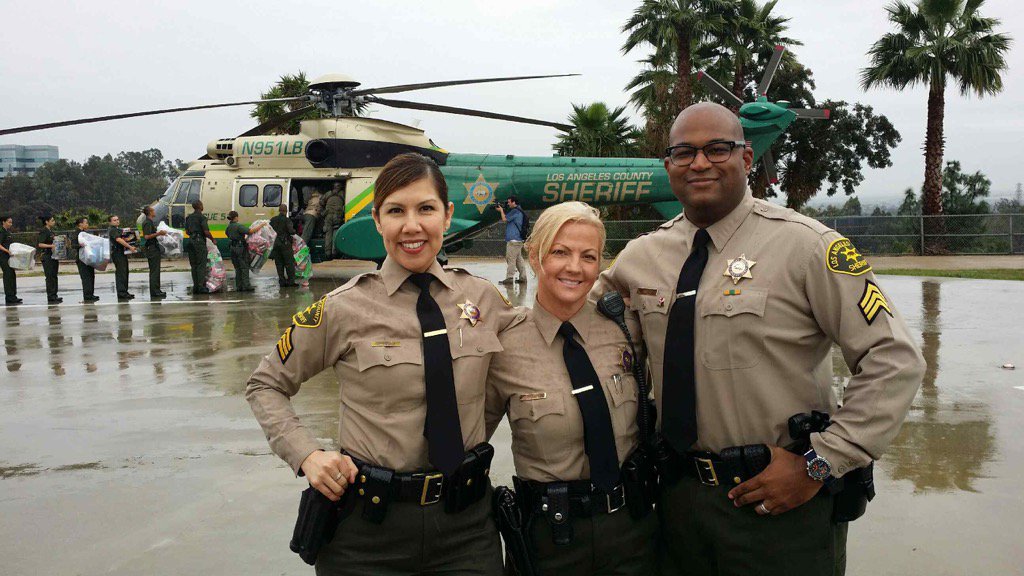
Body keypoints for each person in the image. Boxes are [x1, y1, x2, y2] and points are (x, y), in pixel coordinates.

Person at [594, 102, 925, 576]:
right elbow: (582, 321)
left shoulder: (809, 246)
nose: (700, 162)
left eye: (718, 149)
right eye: (684, 152)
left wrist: (820, 463)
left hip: (780, 504)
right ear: (668, 165)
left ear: (747, 159)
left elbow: (895, 359)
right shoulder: (641, 257)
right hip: (678, 505)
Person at [245, 153, 524, 575]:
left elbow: (539, 348)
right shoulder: (343, 308)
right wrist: (307, 455)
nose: (411, 226)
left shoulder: (484, 299)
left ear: (447, 216)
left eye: (425, 209)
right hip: (367, 536)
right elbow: (265, 384)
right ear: (377, 221)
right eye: (396, 211)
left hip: (466, 529)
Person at [487, 202, 656, 576]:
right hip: (550, 542)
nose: (574, 267)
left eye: (588, 256)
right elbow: (466, 440)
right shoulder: (503, 345)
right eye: (560, 252)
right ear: (534, 256)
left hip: (633, 532)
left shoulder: (627, 330)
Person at [225, 211, 266, 292]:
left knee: (237, 268)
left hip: (232, 248)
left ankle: (239, 286)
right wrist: (261, 225)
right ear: (236, 217)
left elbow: (226, 233)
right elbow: (250, 231)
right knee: (244, 267)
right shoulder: (238, 226)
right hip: (240, 248)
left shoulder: (229, 227)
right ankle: (246, 286)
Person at [496, 196, 528, 285]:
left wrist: (501, 211)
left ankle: (509, 278)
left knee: (511, 259)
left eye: (509, 202)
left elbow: (504, 219)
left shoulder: (515, 211)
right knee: (518, 259)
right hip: (518, 240)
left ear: (514, 202)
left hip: (513, 240)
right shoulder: (519, 211)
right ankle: (523, 277)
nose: (508, 204)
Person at [184, 201, 214, 294]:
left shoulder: (188, 217)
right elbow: (206, 231)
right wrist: (213, 239)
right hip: (199, 242)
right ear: (200, 206)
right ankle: (201, 287)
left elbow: (187, 231)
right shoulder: (202, 217)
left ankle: (196, 287)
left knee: (194, 265)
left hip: (190, 241)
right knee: (201, 264)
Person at [140, 206, 168, 299]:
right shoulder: (147, 223)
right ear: (150, 212)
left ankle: (157, 290)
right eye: (153, 210)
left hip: (153, 248)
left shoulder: (150, 222)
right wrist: (158, 233)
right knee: (154, 271)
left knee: (156, 270)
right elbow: (147, 236)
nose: (154, 212)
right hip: (152, 249)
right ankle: (155, 291)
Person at [69, 217, 99, 302]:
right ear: (80, 224)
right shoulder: (76, 233)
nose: (87, 224)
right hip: (81, 259)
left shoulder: (84, 233)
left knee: (91, 276)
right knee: (86, 277)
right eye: (86, 223)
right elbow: (73, 245)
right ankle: (87, 295)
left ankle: (91, 294)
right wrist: (82, 245)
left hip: (88, 258)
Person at [108, 215, 137, 300]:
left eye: (117, 219)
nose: (117, 221)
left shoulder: (117, 229)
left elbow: (123, 232)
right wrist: (130, 247)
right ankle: (121, 293)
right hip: (117, 253)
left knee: (125, 272)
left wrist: (127, 230)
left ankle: (124, 291)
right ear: (110, 222)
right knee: (121, 273)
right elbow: (118, 239)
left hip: (122, 253)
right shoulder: (112, 230)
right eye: (114, 220)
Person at [269, 204, 298, 287]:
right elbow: (291, 231)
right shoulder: (287, 220)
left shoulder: (273, 220)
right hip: (285, 244)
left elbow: (269, 230)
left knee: (279, 263)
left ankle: (282, 281)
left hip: (275, 244)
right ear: (286, 211)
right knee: (289, 263)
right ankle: (291, 281)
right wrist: (294, 231)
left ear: (279, 210)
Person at [37, 214, 62, 304]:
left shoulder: (51, 231)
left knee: (54, 276)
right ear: (46, 222)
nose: (54, 222)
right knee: (50, 276)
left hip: (54, 256)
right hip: (47, 256)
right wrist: (51, 245)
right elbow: (40, 244)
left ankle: (55, 295)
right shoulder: (44, 231)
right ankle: (51, 296)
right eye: (52, 220)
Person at [319, 181, 344, 260]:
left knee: (328, 234)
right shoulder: (343, 193)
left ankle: (327, 253)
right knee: (335, 234)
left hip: (328, 216)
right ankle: (334, 252)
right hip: (338, 216)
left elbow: (321, 202)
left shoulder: (328, 193)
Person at [0, 215, 19, 305]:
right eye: (9, 222)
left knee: (12, 275)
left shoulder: (8, 232)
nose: (10, 224)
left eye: (11, 222)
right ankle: (9, 297)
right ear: (3, 222)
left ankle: (13, 296)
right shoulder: (1, 232)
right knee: (8, 276)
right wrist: (7, 251)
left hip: (10, 257)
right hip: (3, 257)